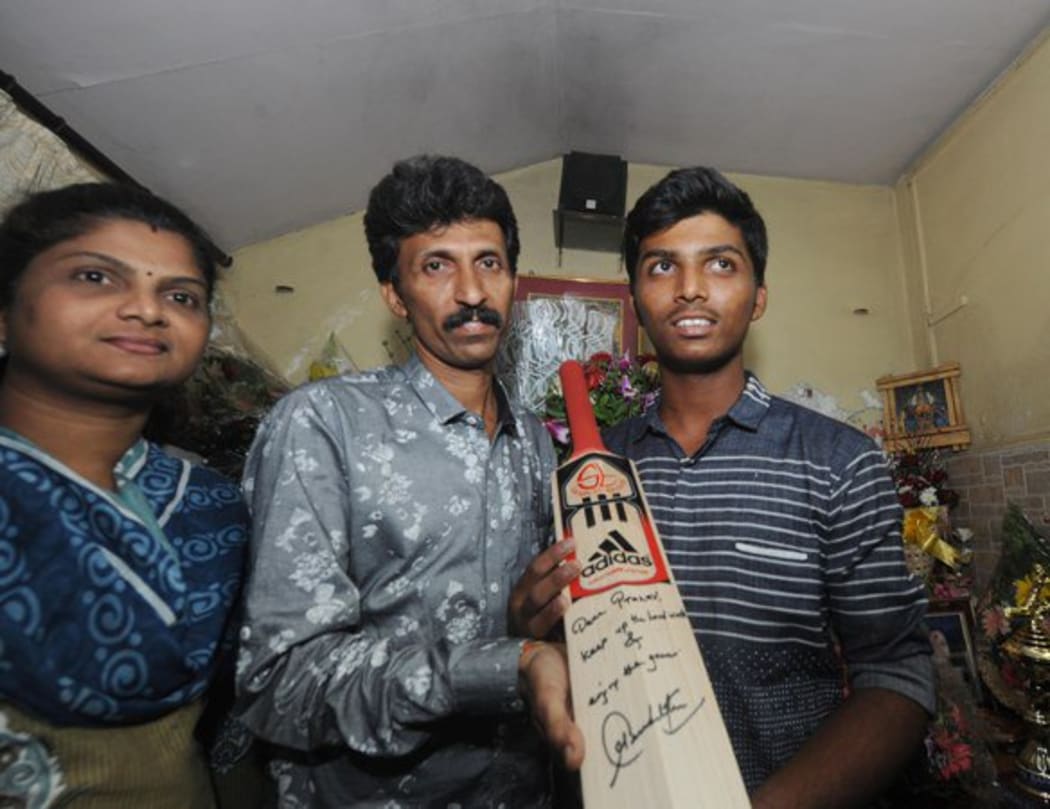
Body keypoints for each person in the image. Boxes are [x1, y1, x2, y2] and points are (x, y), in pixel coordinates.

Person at [511, 166, 935, 808]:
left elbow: (897, 676)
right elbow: (564, 642)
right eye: (661, 268)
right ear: (635, 296)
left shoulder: (838, 461)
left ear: (758, 295)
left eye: (720, 265)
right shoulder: (590, 471)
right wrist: (529, 619)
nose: (688, 290)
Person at [235, 155, 581, 808]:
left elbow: (514, 614)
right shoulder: (322, 424)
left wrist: (532, 622)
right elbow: (280, 684)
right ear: (395, 294)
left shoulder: (534, 440)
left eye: (489, 262)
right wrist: (501, 668)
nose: (472, 292)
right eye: (436, 266)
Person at [0, 182, 251, 807]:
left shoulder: (209, 502)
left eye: (180, 295)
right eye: (94, 276)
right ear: (3, 315)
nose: (146, 309)